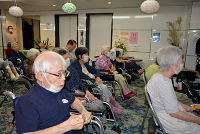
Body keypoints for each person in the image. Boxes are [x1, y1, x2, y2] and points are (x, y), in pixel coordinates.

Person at [15, 51, 92, 134]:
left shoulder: (59, 90)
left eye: (64, 73)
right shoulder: (27, 102)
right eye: (58, 74)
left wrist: (83, 111)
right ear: (41, 76)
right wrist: (66, 126)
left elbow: (73, 101)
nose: (63, 78)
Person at [53, 48, 118, 134]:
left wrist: (86, 91)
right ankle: (101, 129)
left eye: (67, 58)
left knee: (97, 101)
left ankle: (102, 127)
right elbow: (61, 93)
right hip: (72, 97)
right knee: (96, 105)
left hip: (79, 93)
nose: (68, 60)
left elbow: (80, 82)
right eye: (65, 58)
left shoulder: (71, 68)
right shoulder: (56, 75)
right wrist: (77, 97)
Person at [147, 45, 200, 134]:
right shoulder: (162, 82)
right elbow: (174, 113)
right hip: (172, 123)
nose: (182, 63)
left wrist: (189, 109)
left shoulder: (160, 77)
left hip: (170, 118)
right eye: (181, 61)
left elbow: (171, 101)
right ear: (172, 65)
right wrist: (198, 120)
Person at [71, 47, 124, 115]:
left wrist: (98, 77)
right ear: (80, 56)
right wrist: (94, 81)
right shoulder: (74, 64)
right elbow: (81, 75)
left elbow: (96, 70)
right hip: (87, 83)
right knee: (103, 87)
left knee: (104, 87)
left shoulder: (85, 64)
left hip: (93, 80)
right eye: (86, 55)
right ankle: (110, 106)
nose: (87, 56)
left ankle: (113, 103)